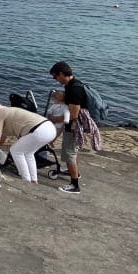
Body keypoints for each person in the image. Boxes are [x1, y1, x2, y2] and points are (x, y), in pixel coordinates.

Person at [49, 61, 102, 194]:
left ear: (61, 74)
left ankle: (74, 185)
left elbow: (73, 114)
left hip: (74, 126)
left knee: (69, 154)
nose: (55, 80)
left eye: (55, 77)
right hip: (78, 125)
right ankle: (75, 173)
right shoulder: (74, 85)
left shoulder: (73, 89)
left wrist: (55, 119)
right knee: (74, 151)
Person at [0, 99, 57, 184]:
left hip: (38, 130)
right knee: (29, 153)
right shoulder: (9, 110)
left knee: (15, 151)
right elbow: (2, 138)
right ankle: (33, 179)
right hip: (50, 128)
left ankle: (26, 179)